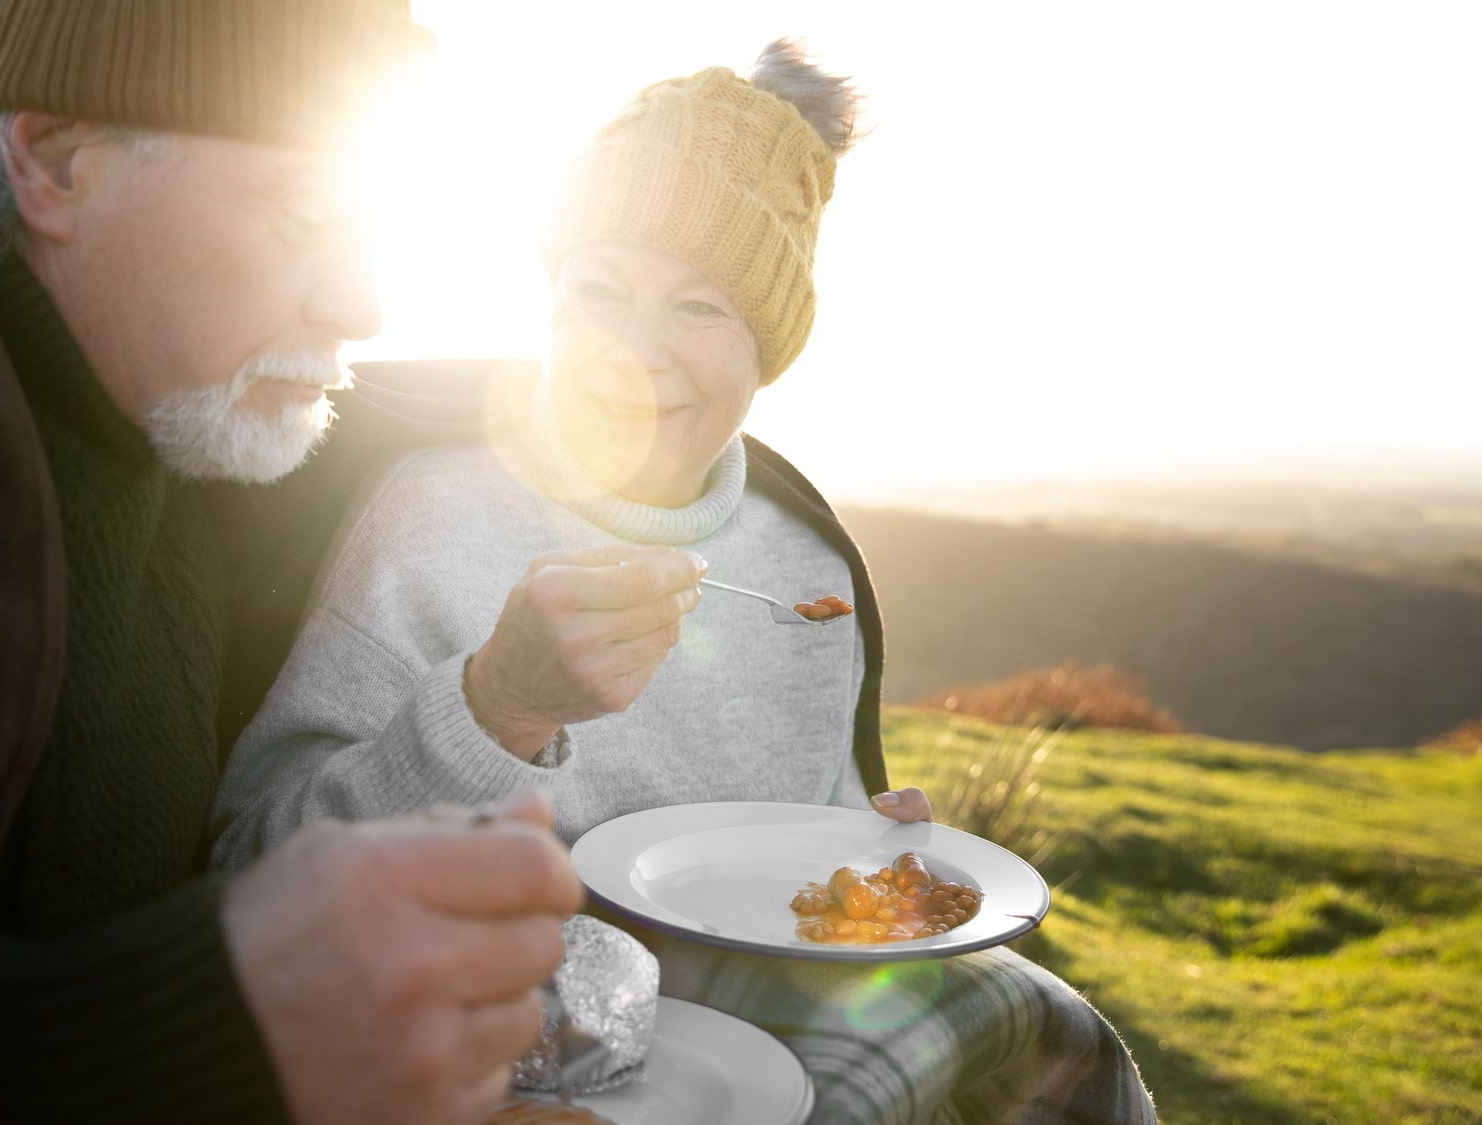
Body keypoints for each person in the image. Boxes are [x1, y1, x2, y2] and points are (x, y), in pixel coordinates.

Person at [0, 2, 583, 1122]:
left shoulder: (166, 396)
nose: (364, 304)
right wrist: (198, 1032)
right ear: (53, 162)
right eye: (306, 216)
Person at [212, 40, 1157, 1124]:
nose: (631, 354)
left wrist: (877, 853)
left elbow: (801, 853)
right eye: (597, 292)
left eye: (700, 309)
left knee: (1047, 1041)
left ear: (768, 347)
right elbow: (253, 867)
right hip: (484, 1049)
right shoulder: (422, 523)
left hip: (759, 1048)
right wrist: (495, 706)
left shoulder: (805, 573)